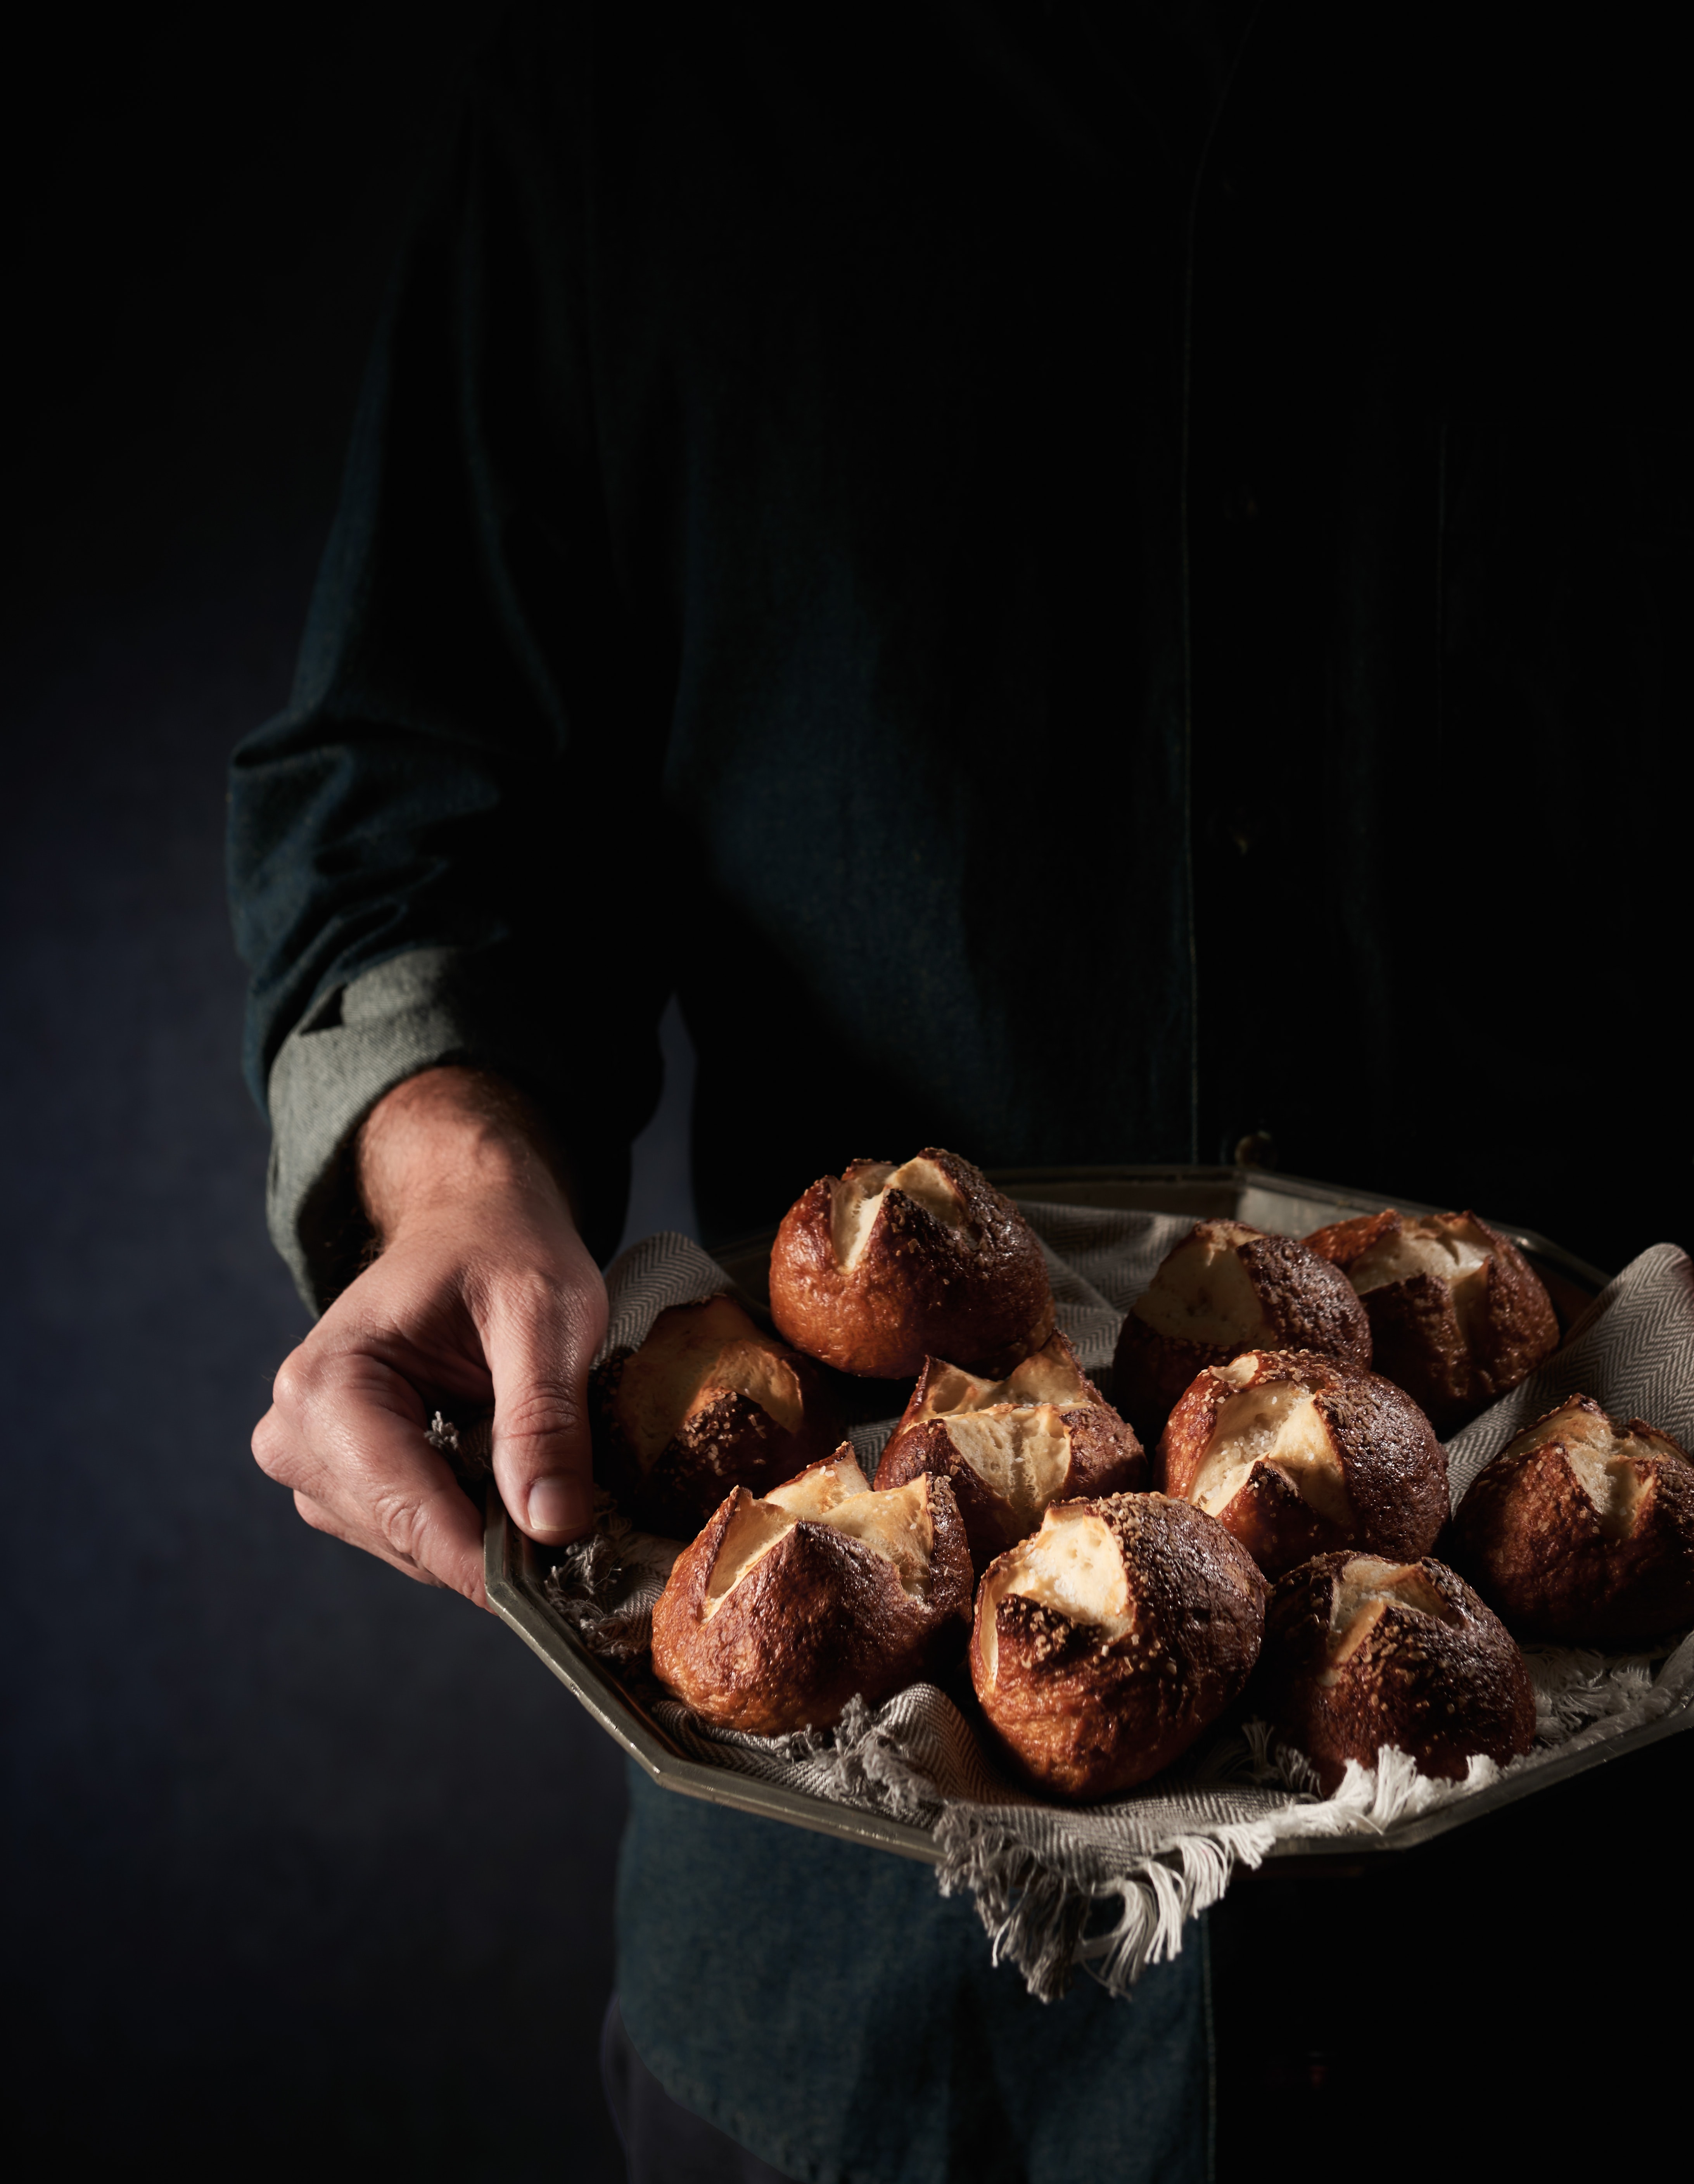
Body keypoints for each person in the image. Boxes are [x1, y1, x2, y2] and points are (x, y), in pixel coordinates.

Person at [229, 5, 1685, 2177]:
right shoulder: (641, 92)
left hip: (1609, 1960)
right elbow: (421, 796)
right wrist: (448, 1169)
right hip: (868, 2005)